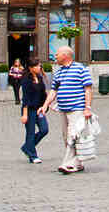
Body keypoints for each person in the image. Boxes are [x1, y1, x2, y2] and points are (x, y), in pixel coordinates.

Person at [39, 45, 94, 175]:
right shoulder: (58, 72)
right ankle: (77, 163)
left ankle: (67, 164)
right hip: (63, 109)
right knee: (66, 136)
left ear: (65, 55)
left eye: (57, 54)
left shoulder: (81, 69)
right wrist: (45, 105)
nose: (55, 56)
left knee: (72, 135)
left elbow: (88, 89)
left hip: (77, 109)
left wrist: (87, 108)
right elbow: (53, 91)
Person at [19, 58, 49, 163]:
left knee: (44, 129)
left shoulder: (40, 78)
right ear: (31, 68)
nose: (39, 67)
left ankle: (27, 147)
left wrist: (45, 106)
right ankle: (33, 155)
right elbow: (25, 98)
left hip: (39, 109)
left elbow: (43, 94)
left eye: (40, 65)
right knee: (30, 132)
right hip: (29, 109)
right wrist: (25, 115)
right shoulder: (26, 80)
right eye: (37, 66)